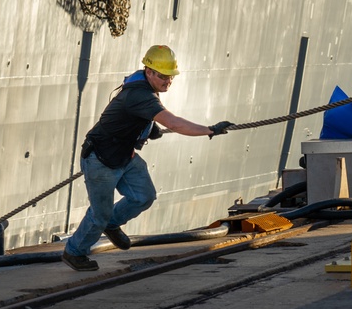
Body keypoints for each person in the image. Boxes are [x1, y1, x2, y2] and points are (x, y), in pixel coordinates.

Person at [62, 45, 233, 271]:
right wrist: (209, 130)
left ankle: (112, 224)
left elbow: (133, 116)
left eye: (171, 77)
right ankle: (74, 252)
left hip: (124, 155)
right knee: (99, 213)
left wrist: (148, 127)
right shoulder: (139, 94)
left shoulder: (144, 90)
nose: (167, 82)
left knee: (144, 196)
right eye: (162, 76)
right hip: (101, 160)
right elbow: (174, 123)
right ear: (149, 71)